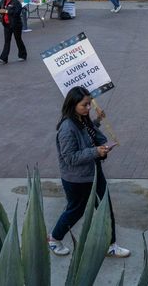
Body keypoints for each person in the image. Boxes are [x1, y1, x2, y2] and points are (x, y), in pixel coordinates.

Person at [48, 86, 131, 257]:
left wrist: (98, 121)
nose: (88, 108)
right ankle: (54, 238)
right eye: (84, 105)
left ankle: (110, 245)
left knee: (105, 208)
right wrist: (96, 152)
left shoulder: (81, 119)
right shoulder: (67, 128)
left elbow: (87, 133)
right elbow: (70, 157)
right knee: (75, 210)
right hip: (77, 180)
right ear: (73, 104)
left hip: (93, 172)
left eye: (89, 104)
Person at [0, 0, 27, 64]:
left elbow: (17, 12)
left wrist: (6, 11)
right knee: (7, 41)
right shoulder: (3, 0)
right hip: (6, 24)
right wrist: (1, 11)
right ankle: (3, 58)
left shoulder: (15, 2)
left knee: (18, 39)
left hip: (15, 24)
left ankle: (22, 55)